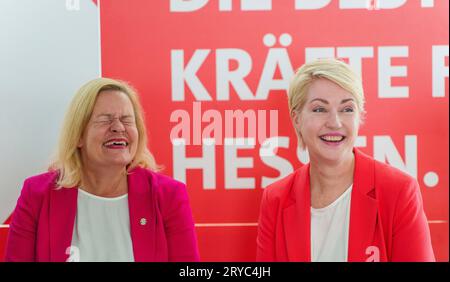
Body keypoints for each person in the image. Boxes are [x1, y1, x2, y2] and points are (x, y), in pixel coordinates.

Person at [256, 58, 435, 262]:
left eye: (347, 109)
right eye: (319, 109)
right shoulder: (275, 199)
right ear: (296, 119)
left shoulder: (399, 191)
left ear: (359, 116)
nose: (335, 122)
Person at [5, 78, 200, 262]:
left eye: (126, 119)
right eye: (105, 119)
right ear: (78, 135)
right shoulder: (37, 194)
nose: (118, 127)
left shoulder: (168, 196)